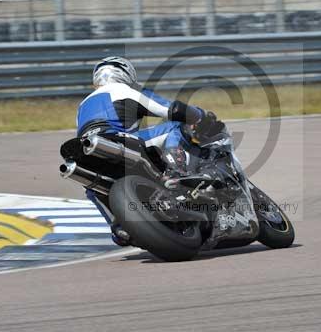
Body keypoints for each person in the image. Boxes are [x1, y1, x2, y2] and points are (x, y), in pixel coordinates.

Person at [76, 56, 218, 245]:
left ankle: (117, 226)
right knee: (173, 127)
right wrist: (199, 115)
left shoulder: (82, 106)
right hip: (118, 140)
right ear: (125, 73)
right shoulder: (124, 90)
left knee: (92, 185)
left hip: (87, 152)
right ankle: (177, 173)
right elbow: (170, 109)